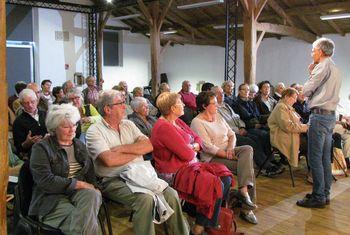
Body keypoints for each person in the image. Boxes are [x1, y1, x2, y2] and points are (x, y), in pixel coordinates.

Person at [86, 90, 189, 235]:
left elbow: (149, 146)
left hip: (140, 175)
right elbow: (109, 160)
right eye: (120, 103)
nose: (125, 106)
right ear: (107, 109)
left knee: (171, 194)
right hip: (114, 180)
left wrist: (122, 149)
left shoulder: (128, 124)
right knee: (145, 199)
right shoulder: (94, 131)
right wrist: (136, 151)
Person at [151, 92, 232, 234]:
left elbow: (197, 140)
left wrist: (192, 146)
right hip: (174, 172)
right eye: (180, 103)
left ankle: (204, 220)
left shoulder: (177, 121)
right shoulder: (164, 127)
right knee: (215, 184)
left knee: (225, 176)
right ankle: (200, 226)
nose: (184, 105)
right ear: (172, 108)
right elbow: (188, 154)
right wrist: (193, 147)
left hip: (191, 165)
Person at [29, 103, 101, 234]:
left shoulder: (79, 145)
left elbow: (90, 173)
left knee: (93, 194)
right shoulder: (41, 148)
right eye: (66, 126)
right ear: (54, 128)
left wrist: (94, 187)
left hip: (77, 194)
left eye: (74, 125)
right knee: (87, 220)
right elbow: (45, 181)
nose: (72, 130)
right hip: (51, 197)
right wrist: (79, 184)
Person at [191, 91, 258, 225]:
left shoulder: (218, 116)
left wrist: (230, 149)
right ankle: (247, 208)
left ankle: (243, 191)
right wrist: (228, 154)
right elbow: (208, 147)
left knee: (248, 149)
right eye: (214, 103)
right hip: (212, 158)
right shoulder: (197, 122)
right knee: (247, 167)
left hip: (228, 151)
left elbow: (232, 134)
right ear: (204, 106)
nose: (217, 105)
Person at [296, 37, 342, 208]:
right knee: (324, 157)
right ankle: (325, 193)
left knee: (314, 157)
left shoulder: (321, 67)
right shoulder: (336, 69)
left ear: (321, 51)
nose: (312, 53)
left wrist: (310, 74)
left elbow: (306, 91)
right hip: (330, 116)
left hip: (319, 116)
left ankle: (317, 196)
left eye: (313, 50)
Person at [212, 86, 282, 177]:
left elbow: (237, 117)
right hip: (230, 134)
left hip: (240, 129)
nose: (222, 95)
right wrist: (237, 130)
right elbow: (223, 125)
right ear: (213, 95)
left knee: (257, 138)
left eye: (222, 93)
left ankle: (266, 162)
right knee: (250, 142)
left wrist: (241, 126)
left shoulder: (226, 105)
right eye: (219, 93)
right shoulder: (215, 109)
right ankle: (266, 166)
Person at [268, 88, 308, 167]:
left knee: (311, 142)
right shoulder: (281, 107)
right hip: (282, 137)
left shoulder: (287, 107)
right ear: (286, 97)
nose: (295, 101)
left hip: (289, 135)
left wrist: (305, 126)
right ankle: (312, 173)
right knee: (310, 145)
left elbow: (297, 122)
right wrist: (305, 127)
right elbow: (288, 126)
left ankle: (312, 172)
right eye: (294, 98)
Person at [13, 89, 48, 159]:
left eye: (32, 102)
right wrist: (27, 143)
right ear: (21, 104)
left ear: (37, 101)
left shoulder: (46, 114)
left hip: (50, 149)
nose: (30, 105)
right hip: (33, 154)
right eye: (26, 103)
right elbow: (19, 148)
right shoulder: (18, 122)